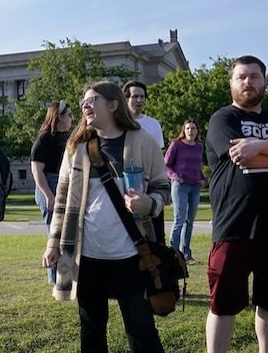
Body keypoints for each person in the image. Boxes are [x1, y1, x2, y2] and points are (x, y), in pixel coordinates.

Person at [42, 80, 169, 353]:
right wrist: (53, 244)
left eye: (93, 100)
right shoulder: (75, 147)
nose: (85, 106)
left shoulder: (143, 141)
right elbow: (62, 202)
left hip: (133, 253)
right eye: (83, 102)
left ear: (113, 105)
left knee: (140, 327)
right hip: (86, 254)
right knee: (91, 328)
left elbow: (163, 187)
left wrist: (148, 203)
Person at [204, 56, 268, 353]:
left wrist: (259, 146)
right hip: (233, 227)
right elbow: (239, 155)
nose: (248, 81)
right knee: (223, 304)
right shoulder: (223, 118)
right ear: (232, 83)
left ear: (265, 81)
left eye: (255, 76)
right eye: (241, 77)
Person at [29, 100, 73, 284]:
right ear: (59, 116)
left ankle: (67, 275)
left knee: (67, 233)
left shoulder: (70, 138)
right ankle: (55, 280)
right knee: (54, 233)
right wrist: (49, 195)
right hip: (49, 184)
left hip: (66, 184)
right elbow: (36, 171)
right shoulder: (45, 138)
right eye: (69, 115)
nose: (72, 119)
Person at [122, 81, 167, 245]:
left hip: (149, 187)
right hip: (125, 186)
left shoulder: (153, 124)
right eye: (135, 96)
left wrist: (163, 188)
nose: (139, 100)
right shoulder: (117, 124)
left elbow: (159, 159)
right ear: (126, 99)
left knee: (156, 236)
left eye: (142, 97)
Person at [165, 118, 207, 265]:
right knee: (179, 220)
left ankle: (186, 255)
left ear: (197, 131)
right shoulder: (176, 145)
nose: (190, 131)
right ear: (184, 130)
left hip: (195, 187)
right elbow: (167, 165)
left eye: (193, 128)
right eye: (188, 128)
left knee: (189, 222)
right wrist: (175, 177)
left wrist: (204, 179)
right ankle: (173, 254)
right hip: (180, 186)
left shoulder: (199, 147)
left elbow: (197, 168)